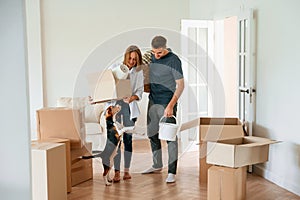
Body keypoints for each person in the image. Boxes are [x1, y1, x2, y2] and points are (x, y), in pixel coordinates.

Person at [142, 36, 184, 183]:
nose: (156, 55)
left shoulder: (174, 60)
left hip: (168, 102)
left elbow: (180, 85)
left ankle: (172, 171)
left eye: (159, 53)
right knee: (152, 133)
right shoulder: (150, 57)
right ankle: (157, 164)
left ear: (165, 47)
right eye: (154, 52)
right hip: (153, 100)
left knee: (170, 136)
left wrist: (171, 105)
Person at [107, 45, 144, 182]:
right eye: (130, 58)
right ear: (126, 56)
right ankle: (117, 172)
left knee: (128, 140)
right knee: (116, 141)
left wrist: (132, 98)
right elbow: (107, 85)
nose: (132, 61)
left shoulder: (138, 73)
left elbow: (139, 91)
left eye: (135, 59)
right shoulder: (115, 67)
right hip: (116, 106)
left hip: (129, 107)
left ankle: (126, 171)